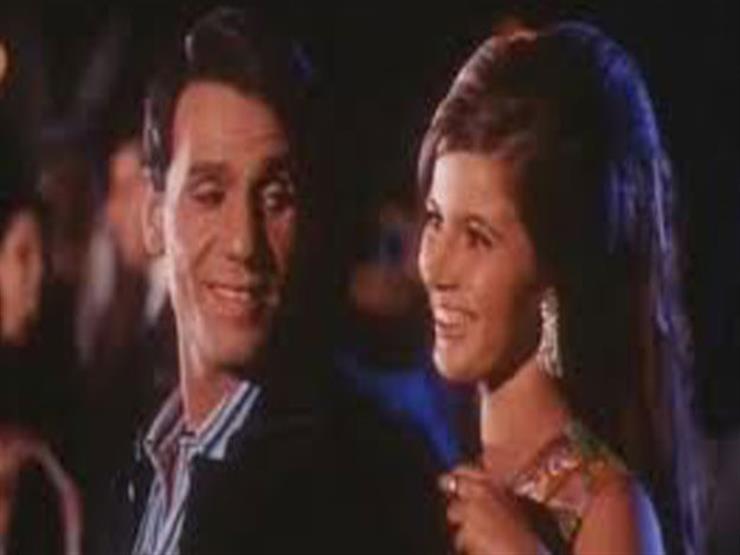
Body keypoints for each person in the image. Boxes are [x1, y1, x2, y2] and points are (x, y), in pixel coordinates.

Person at [101, 7, 447, 555]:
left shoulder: (363, 483)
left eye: (275, 198)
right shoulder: (131, 467)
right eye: (210, 195)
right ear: (152, 219)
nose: (244, 242)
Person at [416, 22, 703, 554]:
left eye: (477, 238)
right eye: (435, 220)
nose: (435, 267)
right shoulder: (420, 451)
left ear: (553, 268)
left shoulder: (608, 506)